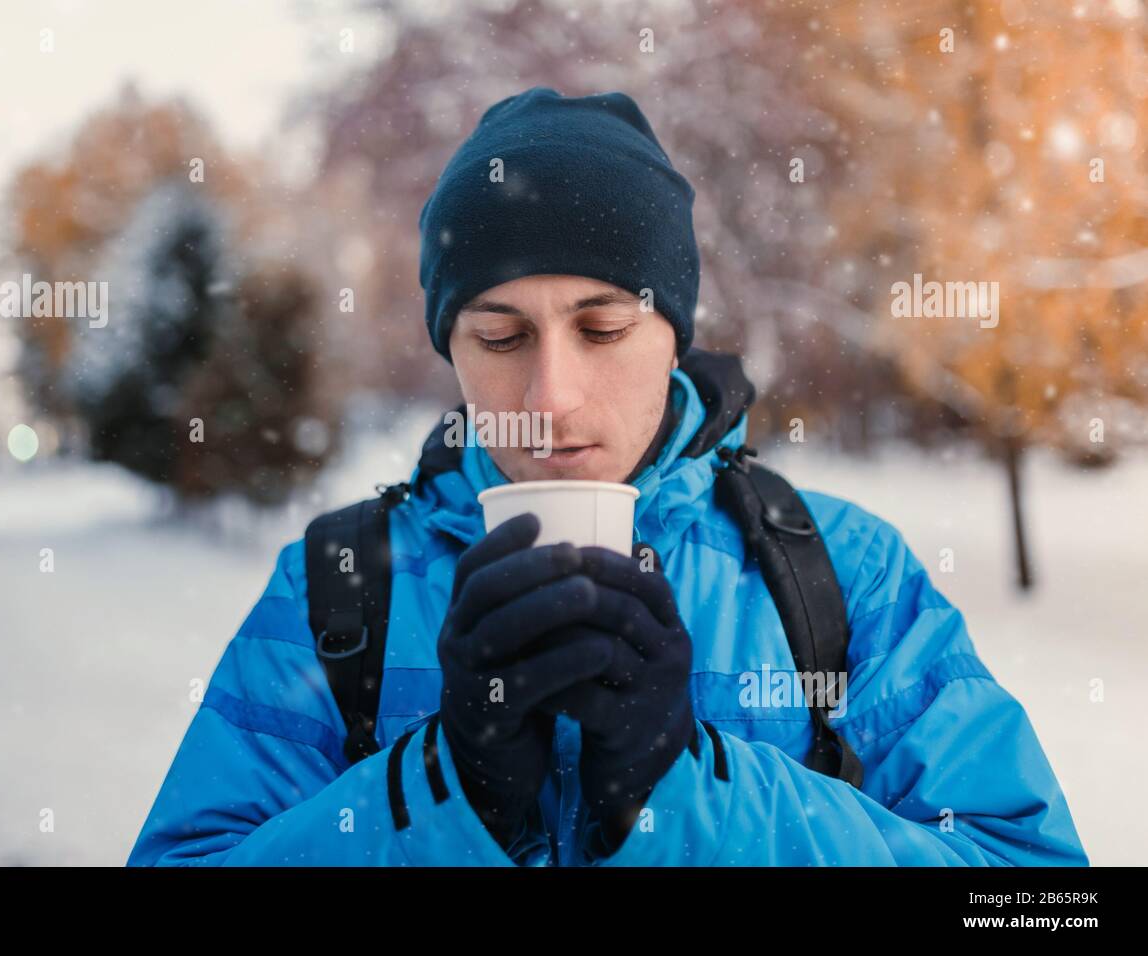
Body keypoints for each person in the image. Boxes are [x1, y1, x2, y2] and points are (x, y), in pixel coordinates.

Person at [127, 87, 1088, 866]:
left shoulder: (842, 574)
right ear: (449, 350)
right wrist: (444, 795)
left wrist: (693, 791)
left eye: (603, 329)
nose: (551, 396)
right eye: (499, 336)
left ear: (675, 332)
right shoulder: (340, 583)